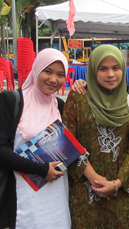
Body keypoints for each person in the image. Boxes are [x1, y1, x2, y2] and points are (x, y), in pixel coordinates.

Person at [62, 45, 129, 228]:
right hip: (84, 190)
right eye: (103, 69)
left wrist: (117, 183)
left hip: (120, 193)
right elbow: (68, 142)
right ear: (93, 70)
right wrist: (94, 177)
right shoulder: (78, 98)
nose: (110, 74)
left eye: (116, 68)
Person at [0, 48, 69, 229]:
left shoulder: (59, 105)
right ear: (37, 69)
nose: (53, 79)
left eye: (60, 75)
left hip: (55, 191)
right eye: (48, 71)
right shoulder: (11, 101)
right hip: (22, 192)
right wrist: (40, 169)